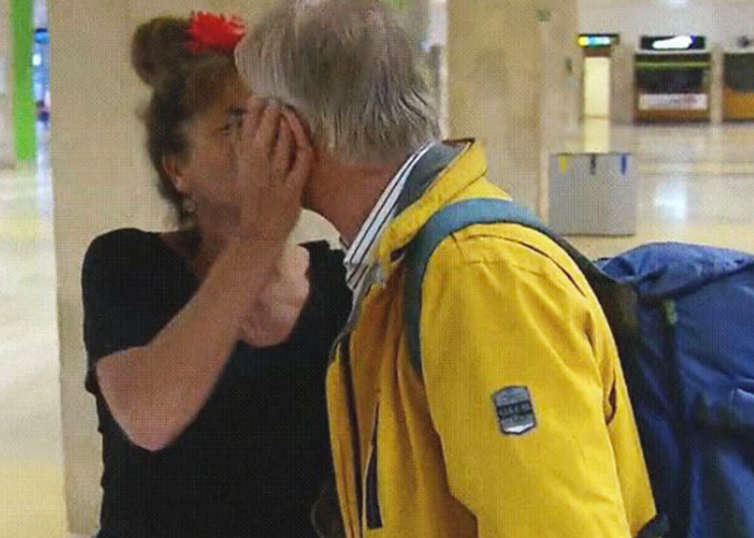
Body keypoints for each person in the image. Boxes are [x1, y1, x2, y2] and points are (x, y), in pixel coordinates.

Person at [235, 1, 661, 537]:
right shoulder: (404, 260)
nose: (239, 148)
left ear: (287, 134)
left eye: (243, 123)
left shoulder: (478, 275)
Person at [80, 13, 351, 538]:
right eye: (235, 124)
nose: (263, 142)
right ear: (177, 168)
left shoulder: (341, 283)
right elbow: (150, 418)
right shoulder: (126, 265)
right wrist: (261, 234)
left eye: (275, 118)